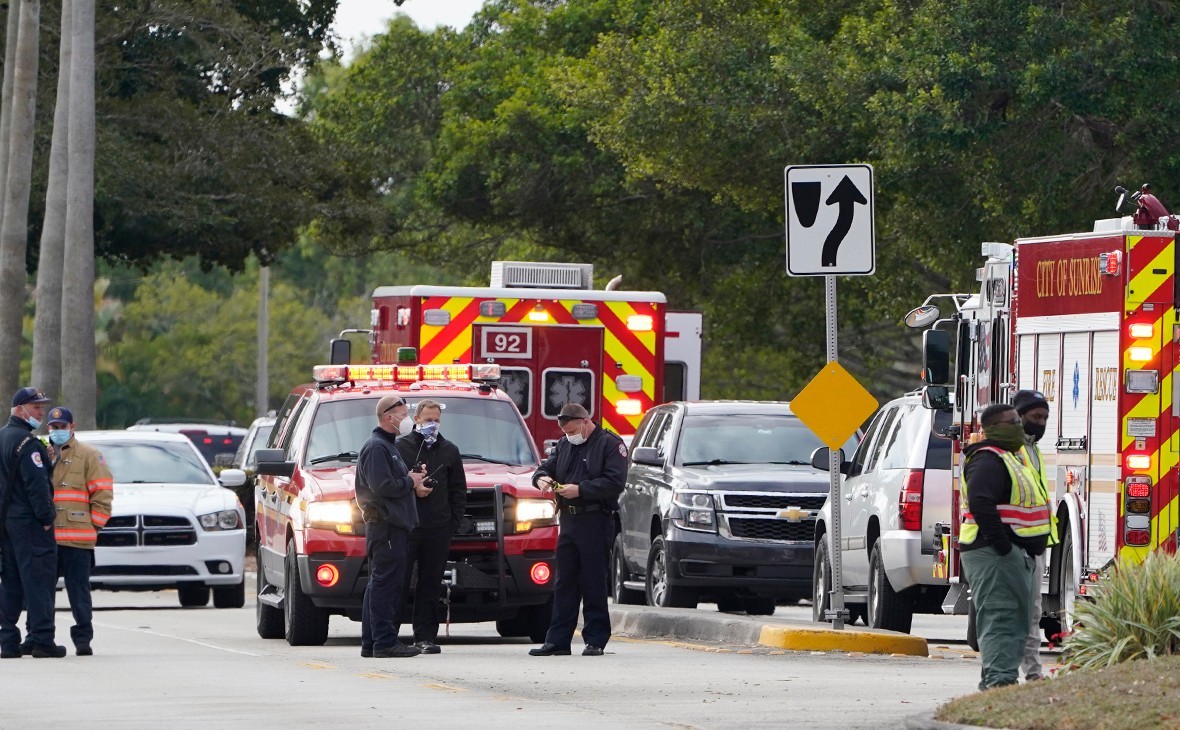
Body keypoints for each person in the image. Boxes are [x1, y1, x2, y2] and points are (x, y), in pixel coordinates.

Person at [960, 403, 1052, 690]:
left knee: (1015, 622)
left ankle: (999, 683)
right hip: (995, 554)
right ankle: (1000, 686)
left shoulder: (1010, 457)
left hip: (1010, 555)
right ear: (996, 428)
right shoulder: (987, 460)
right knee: (1002, 619)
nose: (1019, 428)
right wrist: (1004, 548)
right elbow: (980, 503)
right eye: (1013, 422)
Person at [528, 403, 627, 657]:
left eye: (572, 430)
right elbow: (546, 467)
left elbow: (615, 482)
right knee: (564, 582)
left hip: (595, 518)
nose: (570, 436)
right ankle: (558, 640)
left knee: (593, 581)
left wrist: (580, 490)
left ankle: (595, 639)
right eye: (565, 432)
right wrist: (541, 479)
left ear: (585, 421)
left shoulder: (609, 444)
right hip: (569, 521)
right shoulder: (564, 444)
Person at [355, 395, 425, 659]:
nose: (407, 418)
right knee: (386, 585)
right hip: (386, 526)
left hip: (392, 527)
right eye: (403, 413)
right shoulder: (376, 448)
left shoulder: (388, 446)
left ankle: (371, 642)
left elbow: (393, 480)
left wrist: (412, 477)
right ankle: (384, 642)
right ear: (389, 417)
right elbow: (383, 486)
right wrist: (409, 481)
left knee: (378, 585)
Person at [395, 398, 466, 654]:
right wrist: (414, 490)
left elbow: (459, 490)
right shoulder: (401, 447)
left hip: (438, 527)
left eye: (436, 420)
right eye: (427, 420)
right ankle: (390, 635)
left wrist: (452, 523)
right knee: (399, 582)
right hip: (408, 526)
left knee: (431, 583)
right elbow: (392, 483)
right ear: (416, 420)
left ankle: (425, 637)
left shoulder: (449, 450)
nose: (432, 425)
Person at [0, 387, 66, 659]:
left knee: (11, 581)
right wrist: (46, 518)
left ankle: (8, 640)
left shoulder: (3, 438)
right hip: (29, 524)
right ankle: (41, 639)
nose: (40, 412)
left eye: (41, 407)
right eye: (36, 407)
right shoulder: (28, 444)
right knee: (39, 580)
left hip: (6, 524)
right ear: (19, 409)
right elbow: (36, 486)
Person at [45, 407, 114, 656]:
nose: (58, 431)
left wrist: (94, 524)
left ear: (72, 427)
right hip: (48, 538)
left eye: (63, 427)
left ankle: (83, 638)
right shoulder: (41, 454)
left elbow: (103, 493)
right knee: (43, 593)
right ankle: (42, 637)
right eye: (54, 427)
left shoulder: (90, 456)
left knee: (79, 592)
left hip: (78, 538)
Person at [1011, 390, 1058, 682]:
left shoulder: (1033, 449)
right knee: (1020, 613)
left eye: (1044, 418)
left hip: (1035, 543)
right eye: (1035, 417)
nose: (1040, 423)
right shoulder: (1011, 448)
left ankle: (1032, 673)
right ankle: (1019, 674)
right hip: (1015, 543)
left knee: (1033, 613)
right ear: (1019, 416)